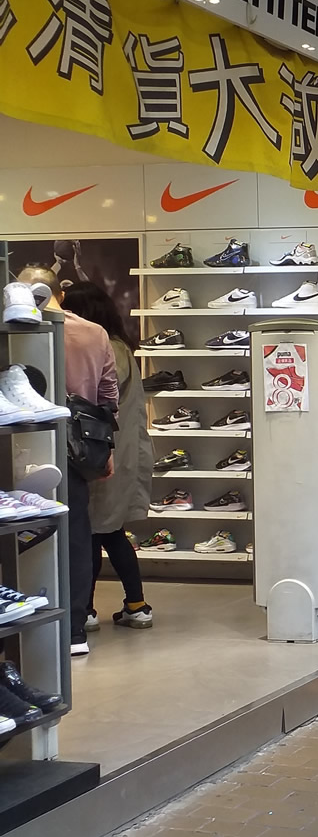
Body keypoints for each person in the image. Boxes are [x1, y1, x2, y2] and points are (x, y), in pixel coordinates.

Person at [18, 268, 118, 657]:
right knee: (76, 534)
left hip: (25, 441)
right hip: (79, 442)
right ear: (61, 292)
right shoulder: (95, 332)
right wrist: (107, 448)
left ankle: (24, 615)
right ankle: (75, 628)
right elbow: (108, 396)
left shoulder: (21, 331)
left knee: (22, 529)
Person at [62, 283, 153, 629]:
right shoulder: (119, 345)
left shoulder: (107, 347)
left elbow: (96, 397)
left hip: (105, 452)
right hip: (119, 450)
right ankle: (134, 605)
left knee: (94, 532)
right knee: (109, 531)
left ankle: (86, 609)